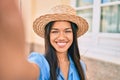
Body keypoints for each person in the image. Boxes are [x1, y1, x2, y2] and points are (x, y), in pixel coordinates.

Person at [0, 0, 88, 80]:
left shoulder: (81, 66)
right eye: (55, 31)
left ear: (73, 34)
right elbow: (24, 73)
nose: (61, 37)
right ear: (48, 35)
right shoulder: (40, 61)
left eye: (67, 31)